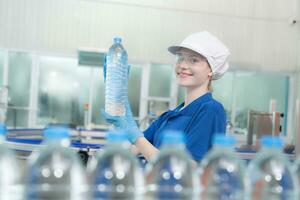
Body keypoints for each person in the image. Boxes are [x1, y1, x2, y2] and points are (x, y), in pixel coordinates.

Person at [102, 31, 230, 162]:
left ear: (211, 70)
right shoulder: (169, 116)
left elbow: (191, 170)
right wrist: (118, 93)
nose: (183, 65)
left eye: (193, 60)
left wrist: (135, 136)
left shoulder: (211, 110)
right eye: (180, 58)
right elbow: (134, 150)